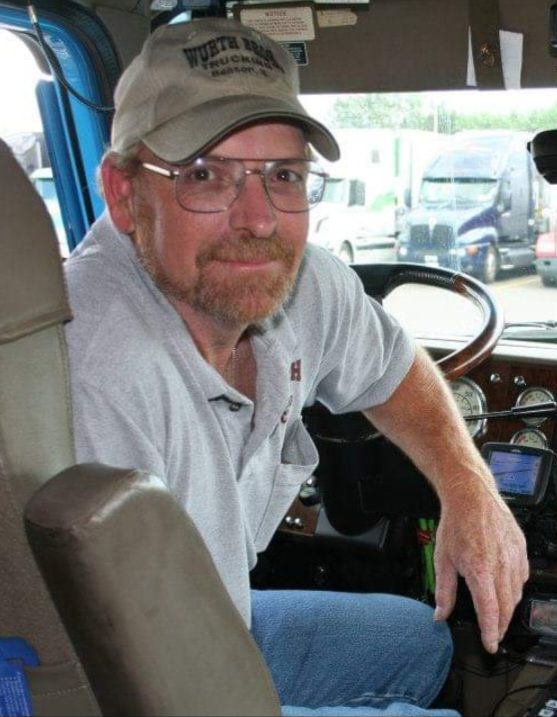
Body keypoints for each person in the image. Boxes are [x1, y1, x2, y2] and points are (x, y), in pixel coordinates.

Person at [64, 16, 528, 716]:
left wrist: (468, 489)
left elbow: (394, 368)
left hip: (207, 615)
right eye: (205, 176)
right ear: (124, 193)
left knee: (419, 639)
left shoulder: (301, 281)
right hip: (130, 685)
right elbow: (150, 686)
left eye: (283, 175)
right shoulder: (101, 371)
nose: (258, 220)